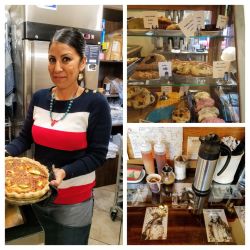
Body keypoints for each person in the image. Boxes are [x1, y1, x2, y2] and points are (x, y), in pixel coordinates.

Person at [5, 28, 112, 245]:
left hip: (74, 203)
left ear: (82, 62)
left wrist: (66, 171)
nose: (57, 68)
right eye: (52, 59)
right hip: (36, 196)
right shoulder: (40, 97)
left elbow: (98, 155)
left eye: (66, 59)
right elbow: (25, 138)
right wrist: (6, 151)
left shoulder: (95, 103)